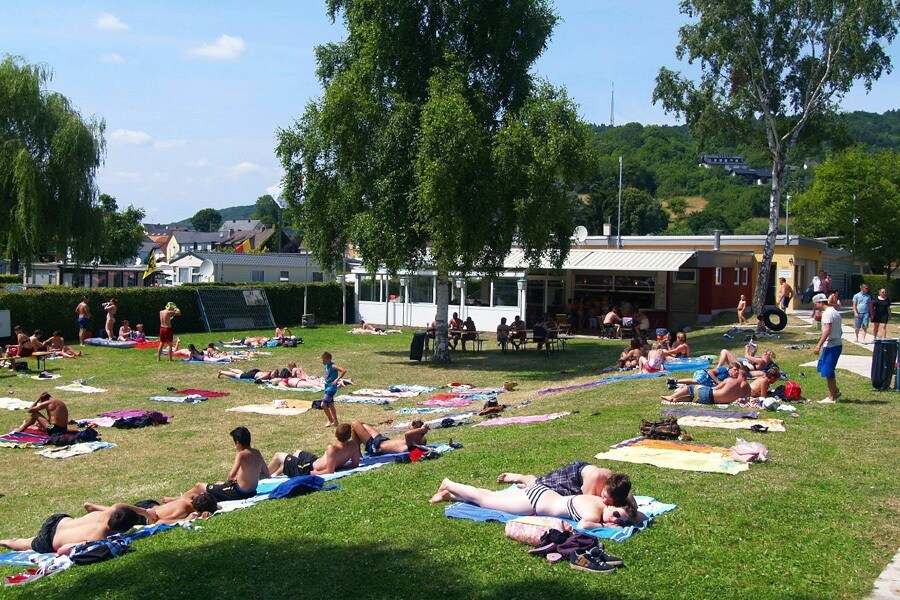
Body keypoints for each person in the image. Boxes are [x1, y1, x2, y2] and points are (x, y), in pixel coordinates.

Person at [429, 477, 644, 529]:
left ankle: (451, 495)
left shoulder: (601, 502)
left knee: (493, 496)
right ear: (613, 506)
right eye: (616, 516)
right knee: (486, 501)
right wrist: (605, 525)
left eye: (620, 522)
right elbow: (584, 526)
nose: (615, 520)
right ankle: (450, 483)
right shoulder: (595, 513)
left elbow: (636, 512)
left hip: (541, 494)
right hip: (534, 501)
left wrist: (629, 516)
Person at [496, 464, 641, 519]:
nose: (605, 501)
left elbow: (631, 502)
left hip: (581, 485)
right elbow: (581, 503)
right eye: (604, 496)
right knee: (538, 484)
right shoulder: (596, 477)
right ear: (605, 486)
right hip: (573, 476)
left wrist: (631, 508)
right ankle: (521, 477)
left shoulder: (617, 486)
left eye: (609, 501)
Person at [169, 427, 269, 502]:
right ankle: (181, 498)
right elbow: (266, 474)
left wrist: (236, 479)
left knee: (199, 486)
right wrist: (253, 476)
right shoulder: (257, 452)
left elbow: (230, 477)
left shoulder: (241, 454)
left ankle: (177, 500)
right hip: (252, 491)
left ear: (237, 443)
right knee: (218, 483)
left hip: (238, 493)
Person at [0, 505, 142, 555]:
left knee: (30, 540)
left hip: (58, 520)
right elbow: (63, 550)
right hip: (49, 541)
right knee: (26, 543)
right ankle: (5, 542)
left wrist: (144, 511)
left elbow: (119, 504)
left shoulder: (108, 513)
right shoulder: (98, 537)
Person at [267, 423, 361, 477]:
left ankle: (265, 476)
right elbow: (355, 464)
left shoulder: (332, 448)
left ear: (336, 435)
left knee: (278, 456)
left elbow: (329, 470)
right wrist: (340, 466)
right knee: (297, 452)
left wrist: (315, 473)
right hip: (314, 460)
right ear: (349, 436)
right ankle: (276, 473)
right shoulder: (354, 445)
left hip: (308, 467)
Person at [83, 493, 219, 526]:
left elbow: (216, 505)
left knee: (118, 512)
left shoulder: (190, 497)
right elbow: (161, 521)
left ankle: (97, 508)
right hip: (146, 515)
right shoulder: (183, 511)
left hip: (150, 505)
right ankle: (96, 508)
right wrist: (186, 519)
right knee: (116, 514)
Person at [661, 365, 752, 404]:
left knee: (690, 388)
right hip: (712, 402)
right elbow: (747, 399)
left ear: (739, 372)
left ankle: (672, 396)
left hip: (709, 396)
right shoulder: (747, 387)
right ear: (747, 375)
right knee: (693, 397)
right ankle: (677, 400)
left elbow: (715, 389)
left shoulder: (730, 380)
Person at [812, 293, 843, 403]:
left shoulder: (827, 314)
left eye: (815, 304)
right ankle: (835, 390)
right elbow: (840, 330)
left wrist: (818, 345)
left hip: (832, 346)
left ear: (820, 302)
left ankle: (831, 397)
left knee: (829, 372)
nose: (815, 306)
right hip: (836, 344)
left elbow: (827, 330)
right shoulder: (835, 312)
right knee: (822, 367)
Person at [350, 420, 429, 456]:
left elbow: (407, 434)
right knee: (361, 424)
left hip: (376, 447)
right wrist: (421, 430)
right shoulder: (421, 439)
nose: (409, 429)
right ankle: (357, 452)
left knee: (354, 424)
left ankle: (357, 455)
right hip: (382, 440)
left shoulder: (411, 443)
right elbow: (411, 432)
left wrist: (422, 430)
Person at [320, 351, 345, 428]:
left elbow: (344, 370)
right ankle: (336, 422)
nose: (322, 361)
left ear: (329, 359)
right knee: (331, 405)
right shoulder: (326, 366)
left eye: (324, 360)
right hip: (327, 387)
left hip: (332, 388)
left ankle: (331, 420)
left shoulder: (333, 366)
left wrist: (337, 379)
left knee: (323, 405)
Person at [669, 364, 734, 389]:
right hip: (704, 374)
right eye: (734, 370)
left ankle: (675, 385)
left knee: (697, 387)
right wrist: (717, 381)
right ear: (731, 368)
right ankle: (674, 381)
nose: (735, 372)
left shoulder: (731, 377)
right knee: (699, 381)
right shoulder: (724, 370)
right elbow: (710, 372)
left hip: (709, 382)